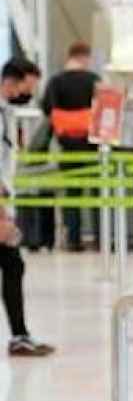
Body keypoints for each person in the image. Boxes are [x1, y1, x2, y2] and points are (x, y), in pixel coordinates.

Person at [0, 59, 55, 356]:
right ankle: (19, 335)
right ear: (12, 81)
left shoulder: (6, 111)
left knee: (12, 264)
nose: (30, 94)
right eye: (28, 87)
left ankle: (20, 335)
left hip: (4, 199)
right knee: (12, 264)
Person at [35, 42, 100, 252]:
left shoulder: (55, 82)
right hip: (91, 145)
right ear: (85, 57)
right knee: (98, 192)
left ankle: (73, 239)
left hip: (66, 145)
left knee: (72, 193)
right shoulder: (93, 80)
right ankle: (100, 235)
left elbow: (47, 109)